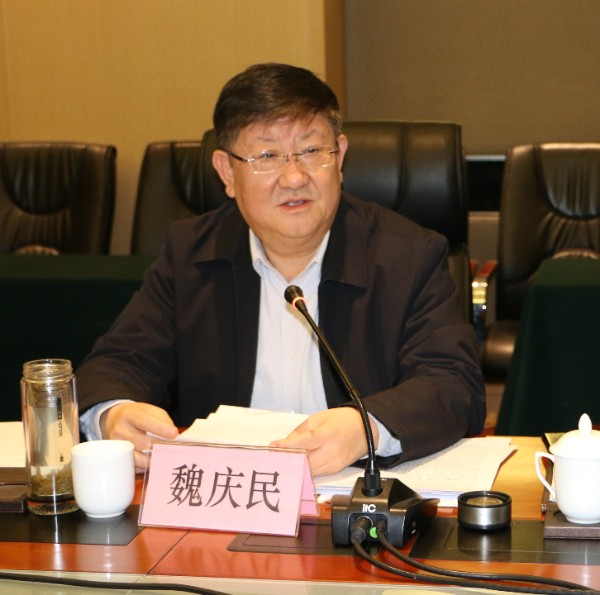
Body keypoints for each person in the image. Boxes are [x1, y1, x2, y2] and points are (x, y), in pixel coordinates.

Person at [77, 62, 485, 475]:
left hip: (352, 492)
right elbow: (117, 362)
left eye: (312, 151)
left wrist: (364, 428)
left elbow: (453, 384)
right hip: (227, 496)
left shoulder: (408, 256)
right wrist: (114, 413)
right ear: (227, 172)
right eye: (267, 156)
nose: (293, 178)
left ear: (340, 156)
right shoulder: (190, 256)